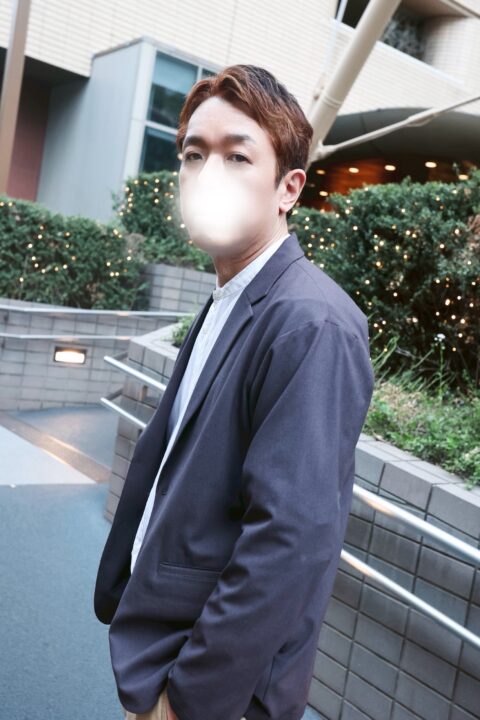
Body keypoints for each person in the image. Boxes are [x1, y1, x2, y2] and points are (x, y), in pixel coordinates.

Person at [94, 63, 375, 720]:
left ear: (288, 189)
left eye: (236, 156)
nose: (206, 174)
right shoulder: (232, 295)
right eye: (193, 155)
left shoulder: (312, 323)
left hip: (217, 693)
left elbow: (288, 541)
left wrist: (184, 701)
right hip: (164, 650)